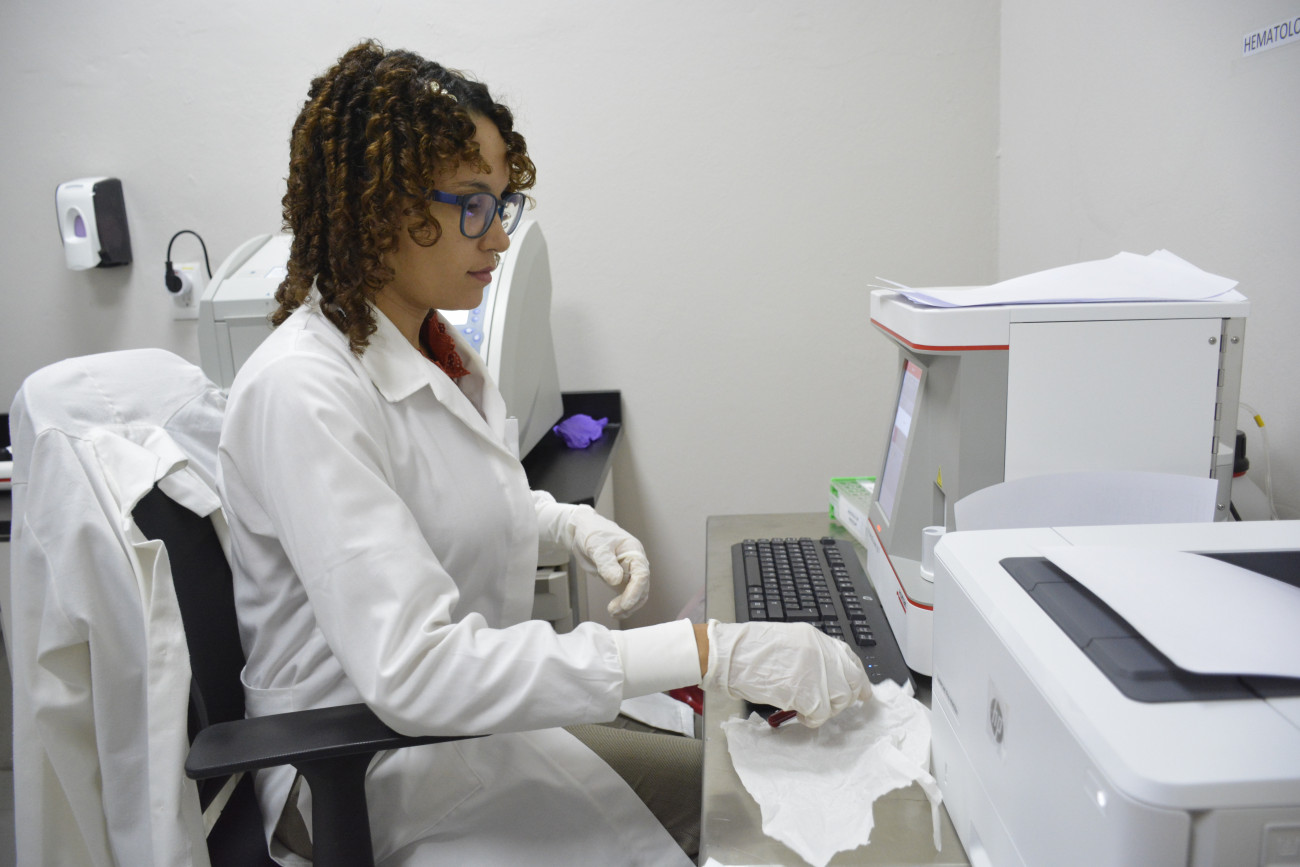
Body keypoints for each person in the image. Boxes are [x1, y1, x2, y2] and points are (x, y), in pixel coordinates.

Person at [217, 39, 872, 866]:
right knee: (748, 818)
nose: (496, 236)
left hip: (460, 735)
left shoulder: (429, 346)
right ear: (378, 205)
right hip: (364, 772)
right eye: (472, 204)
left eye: (502, 203)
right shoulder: (302, 391)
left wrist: (563, 523)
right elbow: (416, 668)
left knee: (735, 782)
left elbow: (433, 503)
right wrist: (710, 649)